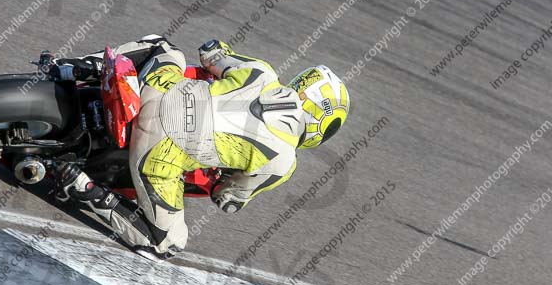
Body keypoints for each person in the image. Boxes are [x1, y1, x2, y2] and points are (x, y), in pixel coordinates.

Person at [52, 35, 350, 259]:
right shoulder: (282, 162)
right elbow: (228, 197)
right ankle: (83, 188)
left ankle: (76, 67)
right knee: (167, 243)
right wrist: (225, 188)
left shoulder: (261, 72)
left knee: (161, 46)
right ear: (322, 125)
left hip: (158, 89)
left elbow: (210, 53)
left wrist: (221, 52)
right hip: (159, 152)